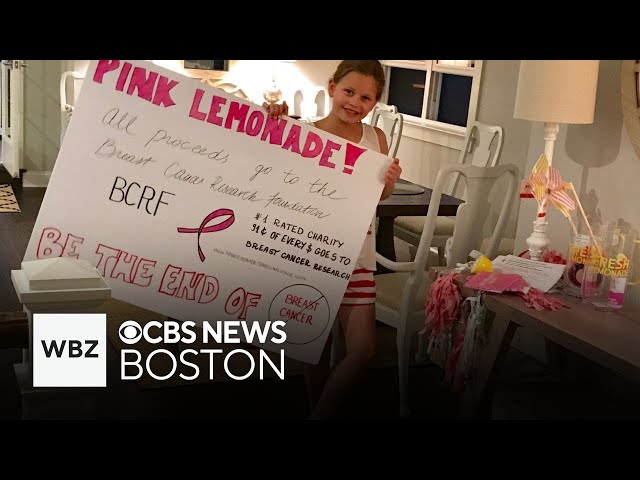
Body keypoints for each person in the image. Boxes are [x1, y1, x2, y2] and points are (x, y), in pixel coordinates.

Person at [263, 60, 402, 419]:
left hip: (358, 255)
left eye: (366, 97)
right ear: (332, 87)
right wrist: (272, 116)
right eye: (349, 91)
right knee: (316, 348)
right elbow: (265, 160)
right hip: (310, 256)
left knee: (363, 349)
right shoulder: (304, 132)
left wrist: (389, 182)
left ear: (376, 102)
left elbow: (381, 197)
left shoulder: (377, 139)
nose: (355, 102)